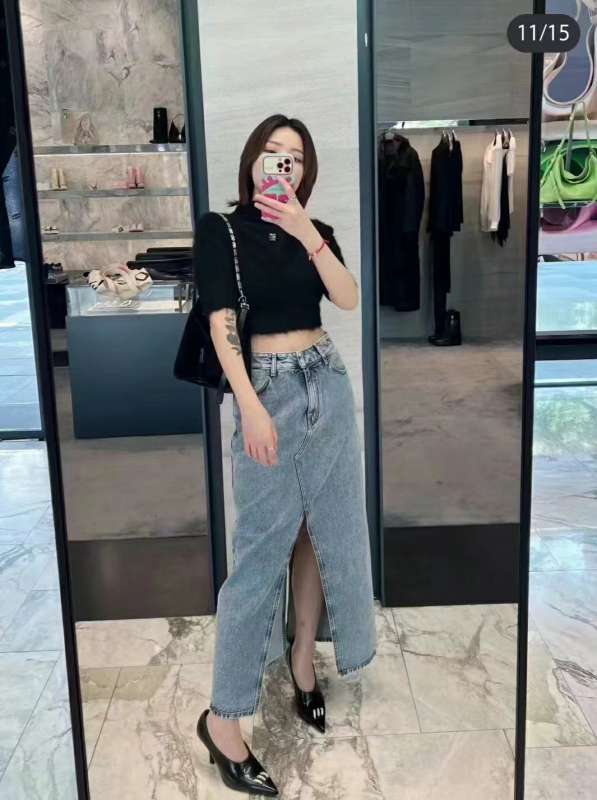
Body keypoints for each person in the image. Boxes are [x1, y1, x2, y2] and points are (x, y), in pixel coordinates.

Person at [194, 113, 377, 795]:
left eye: (295, 157)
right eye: (273, 153)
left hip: (326, 382)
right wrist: (249, 406)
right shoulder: (221, 230)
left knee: (322, 531)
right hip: (266, 389)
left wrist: (306, 233)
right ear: (252, 161)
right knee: (259, 554)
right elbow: (220, 320)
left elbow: (348, 297)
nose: (283, 164)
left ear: (306, 171)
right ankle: (223, 720)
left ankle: (303, 658)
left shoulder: (314, 230)